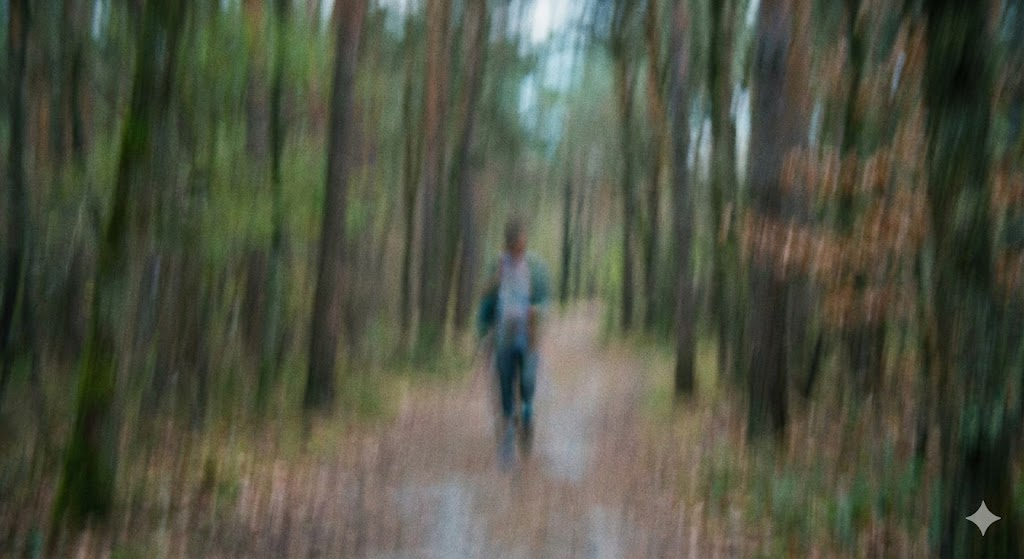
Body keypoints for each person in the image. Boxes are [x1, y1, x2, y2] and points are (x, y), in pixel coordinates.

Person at [478, 217, 550, 466]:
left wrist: (537, 311)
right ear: (507, 244)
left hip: (528, 336)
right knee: (505, 387)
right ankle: (507, 443)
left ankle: (527, 419)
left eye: (522, 245)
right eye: (514, 246)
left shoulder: (536, 266)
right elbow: (484, 301)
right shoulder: (496, 265)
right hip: (503, 336)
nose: (519, 250)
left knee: (527, 386)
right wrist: (482, 337)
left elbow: (546, 302)